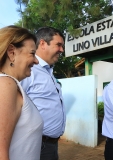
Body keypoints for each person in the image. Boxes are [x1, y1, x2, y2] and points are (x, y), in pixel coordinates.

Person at [21, 27, 66, 160]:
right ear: (42, 43)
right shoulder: (29, 70)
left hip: (50, 145)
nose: (62, 50)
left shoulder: (49, 72)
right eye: (58, 45)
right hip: (36, 145)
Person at [0, 25, 43, 160]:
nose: (36, 61)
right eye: (32, 53)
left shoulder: (11, 84)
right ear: (12, 52)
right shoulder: (6, 85)